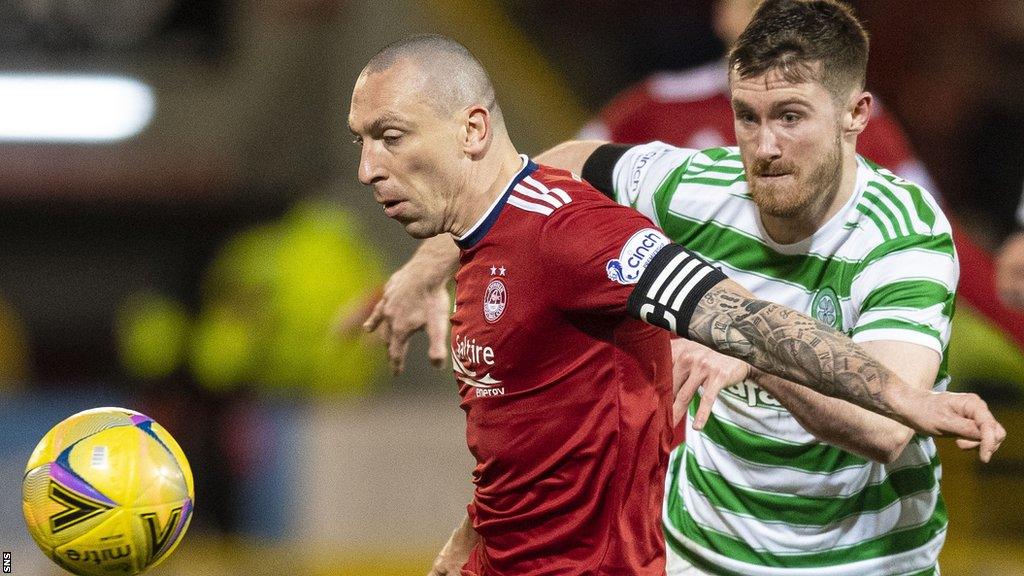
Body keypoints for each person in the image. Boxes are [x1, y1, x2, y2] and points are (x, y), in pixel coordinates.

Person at [349, 33, 1002, 576]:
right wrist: (472, 541)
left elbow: (740, 318)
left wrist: (899, 396)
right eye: (361, 141)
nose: (369, 168)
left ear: (472, 129)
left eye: (391, 136)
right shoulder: (488, 246)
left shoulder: (572, 234)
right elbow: (535, 429)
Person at [583, 0, 1024, 357]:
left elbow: (940, 242)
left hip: (800, 365)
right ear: (724, 13)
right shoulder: (653, 109)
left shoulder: (852, 117)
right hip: (665, 363)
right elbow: (558, 203)